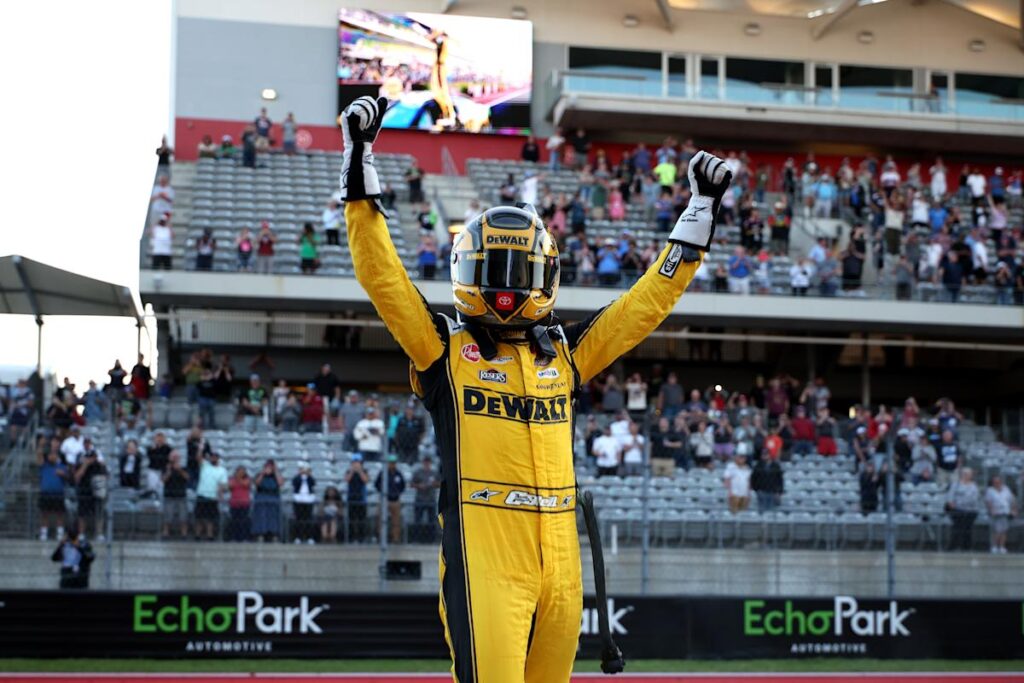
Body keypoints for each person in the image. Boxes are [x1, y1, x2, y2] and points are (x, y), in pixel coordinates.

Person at [339, 96, 730, 679]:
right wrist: (359, 161)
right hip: (486, 559)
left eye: (517, 272)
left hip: (563, 564)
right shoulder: (443, 348)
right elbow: (383, 277)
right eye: (492, 271)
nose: (505, 288)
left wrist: (700, 210)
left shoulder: (566, 352)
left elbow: (642, 306)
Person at [73, 439, 107, 540]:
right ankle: (82, 533)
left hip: (97, 487)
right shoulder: (80, 456)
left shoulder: (98, 457)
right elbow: (77, 476)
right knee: (82, 512)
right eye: (85, 443)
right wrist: (86, 463)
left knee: (99, 510)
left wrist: (97, 461)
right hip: (84, 488)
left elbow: (104, 473)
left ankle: (99, 533)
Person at [194, 451, 227, 541]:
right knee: (199, 517)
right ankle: (197, 535)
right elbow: (198, 457)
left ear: (218, 459)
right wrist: (201, 447)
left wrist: (220, 494)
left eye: (215, 457)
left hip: (212, 496)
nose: (213, 458)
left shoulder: (222, 470)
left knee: (210, 518)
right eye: (212, 457)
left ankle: (210, 535)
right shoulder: (205, 465)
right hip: (202, 494)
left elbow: (222, 484)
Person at [37, 446, 68, 541]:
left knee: (60, 514)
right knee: (44, 514)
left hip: (58, 494)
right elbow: (39, 455)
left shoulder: (62, 467)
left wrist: (63, 474)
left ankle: (59, 533)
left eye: (54, 454)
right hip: (45, 494)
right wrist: (41, 444)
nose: (52, 456)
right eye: (50, 454)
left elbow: (69, 478)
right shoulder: (44, 466)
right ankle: (43, 533)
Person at [946, 467, 980, 551]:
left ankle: (967, 547)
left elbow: (974, 499)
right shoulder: (956, 484)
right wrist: (952, 503)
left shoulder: (974, 486)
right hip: (958, 510)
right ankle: (953, 546)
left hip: (970, 510)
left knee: (967, 529)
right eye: (967, 474)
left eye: (970, 474)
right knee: (957, 528)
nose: (969, 476)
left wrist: (964, 502)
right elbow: (950, 496)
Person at [376, 455, 406, 543]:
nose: (392, 464)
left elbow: (403, 486)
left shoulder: (398, 474)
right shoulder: (383, 473)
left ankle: (395, 538)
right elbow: (376, 484)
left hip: (395, 500)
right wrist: (382, 492)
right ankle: (381, 537)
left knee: (396, 521)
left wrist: (397, 492)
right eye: (390, 463)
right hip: (384, 500)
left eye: (393, 463)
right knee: (381, 519)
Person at [251, 459, 283, 542]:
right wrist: (262, 473)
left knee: (273, 517)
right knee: (261, 517)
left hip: (273, 497)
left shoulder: (276, 476)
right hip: (261, 497)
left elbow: (280, 483)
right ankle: (260, 533)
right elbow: (257, 483)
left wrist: (276, 472)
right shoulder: (260, 475)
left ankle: (273, 533)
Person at [984, 475, 1017, 554]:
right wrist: (991, 510)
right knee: (997, 530)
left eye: (998, 481)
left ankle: (1002, 547)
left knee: (1003, 531)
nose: (997, 483)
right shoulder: (990, 490)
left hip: (1005, 512)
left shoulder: (1006, 489)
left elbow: (1012, 500)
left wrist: (1013, 510)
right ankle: (995, 546)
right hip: (996, 513)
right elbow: (988, 502)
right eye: (995, 482)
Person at [161, 451, 190, 539]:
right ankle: (166, 532)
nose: (174, 458)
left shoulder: (183, 468)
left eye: (176, 456)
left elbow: (188, 478)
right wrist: (169, 471)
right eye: (173, 456)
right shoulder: (166, 468)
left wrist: (180, 470)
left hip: (181, 495)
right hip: (169, 495)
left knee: (183, 516)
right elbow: (163, 480)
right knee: (168, 516)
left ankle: (184, 533)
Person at [345, 454, 370, 542]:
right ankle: (351, 537)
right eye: (354, 462)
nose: (356, 464)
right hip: (351, 498)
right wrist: (352, 471)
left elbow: (365, 480)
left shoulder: (364, 471)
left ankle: (361, 537)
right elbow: (347, 480)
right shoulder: (349, 471)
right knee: (351, 520)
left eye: (357, 462)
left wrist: (359, 471)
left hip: (361, 499)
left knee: (361, 520)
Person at [292, 462, 318, 544]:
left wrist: (309, 474)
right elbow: (294, 483)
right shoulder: (297, 478)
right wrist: (300, 475)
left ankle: (309, 537)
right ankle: (298, 537)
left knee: (308, 519)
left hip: (309, 499)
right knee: (299, 519)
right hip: (298, 499)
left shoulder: (310, 478)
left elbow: (313, 483)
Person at [227, 465, 252, 542]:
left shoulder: (247, 479)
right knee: (234, 521)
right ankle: (234, 537)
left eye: (242, 471)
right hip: (234, 504)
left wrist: (238, 479)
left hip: (244, 504)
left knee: (243, 521)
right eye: (239, 471)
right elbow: (230, 486)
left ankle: (244, 537)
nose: (241, 473)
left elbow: (246, 484)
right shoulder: (232, 479)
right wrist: (237, 479)